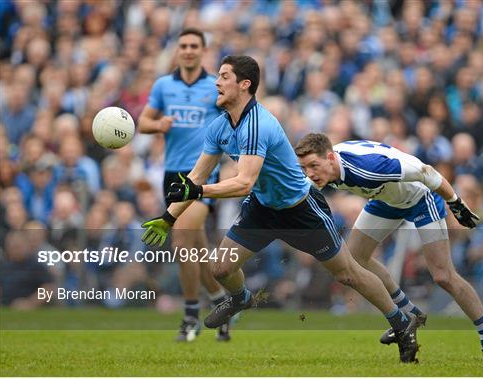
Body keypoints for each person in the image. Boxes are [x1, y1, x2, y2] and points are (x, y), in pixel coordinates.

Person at [141, 55, 421, 363]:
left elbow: (243, 182)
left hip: (300, 209)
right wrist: (169, 217)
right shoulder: (219, 127)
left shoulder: (258, 125)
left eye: (223, 77)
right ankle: (241, 298)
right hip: (262, 208)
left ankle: (400, 322)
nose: (216, 82)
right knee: (220, 268)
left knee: (349, 274)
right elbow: (194, 177)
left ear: (244, 84)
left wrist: (198, 191)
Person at [294, 133, 483, 362]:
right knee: (353, 259)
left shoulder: (372, 166)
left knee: (443, 276)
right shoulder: (323, 169)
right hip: (386, 200)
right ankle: (409, 314)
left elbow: (427, 172)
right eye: (305, 167)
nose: (310, 174)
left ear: (331, 158)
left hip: (420, 198)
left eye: (314, 166)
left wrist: (455, 202)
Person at [137, 28, 230, 342]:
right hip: (171, 174)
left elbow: (233, 121)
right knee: (198, 251)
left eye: (194, 46)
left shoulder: (214, 86)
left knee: (180, 241)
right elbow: (143, 122)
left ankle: (191, 316)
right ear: (177, 51)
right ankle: (222, 303)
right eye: (183, 46)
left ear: (203, 50)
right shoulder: (164, 85)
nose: (188, 50)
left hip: (202, 176)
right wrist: (157, 125)